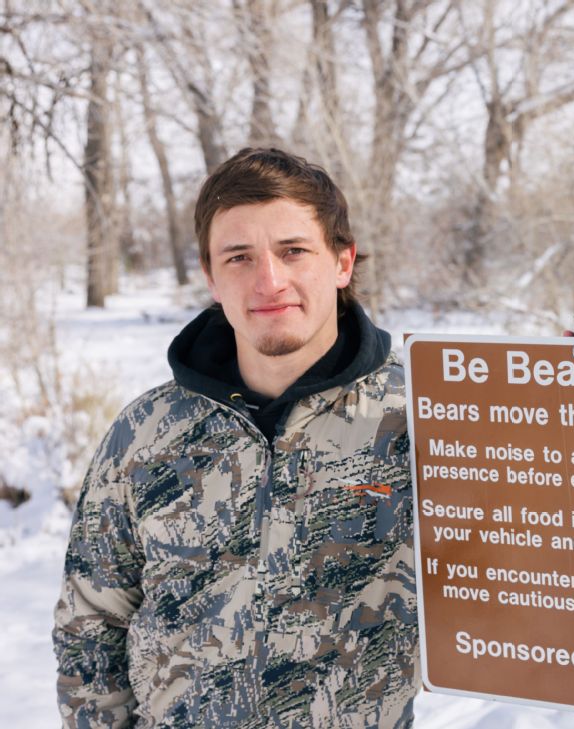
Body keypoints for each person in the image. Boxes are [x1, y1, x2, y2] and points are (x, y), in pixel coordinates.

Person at [53, 148, 417, 727]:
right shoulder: (145, 435)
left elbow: (522, 588)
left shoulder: (417, 423)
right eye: (239, 257)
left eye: (293, 250)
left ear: (342, 262)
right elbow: (90, 623)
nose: (268, 281)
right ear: (211, 278)